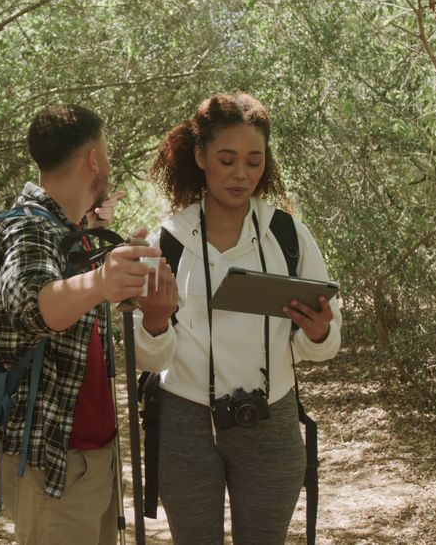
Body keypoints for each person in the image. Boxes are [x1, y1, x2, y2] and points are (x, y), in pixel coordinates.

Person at [134, 92, 343, 544]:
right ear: (200, 156)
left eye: (254, 161)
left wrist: (320, 330)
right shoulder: (168, 240)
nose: (241, 174)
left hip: (270, 418)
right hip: (185, 423)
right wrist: (153, 323)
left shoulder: (286, 235)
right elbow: (148, 357)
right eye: (227, 159)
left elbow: (322, 343)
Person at [0, 104, 158, 545]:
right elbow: (32, 303)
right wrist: (102, 280)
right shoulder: (27, 226)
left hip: (87, 457)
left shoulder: (67, 230)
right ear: (93, 160)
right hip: (54, 464)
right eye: (107, 152)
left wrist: (95, 232)